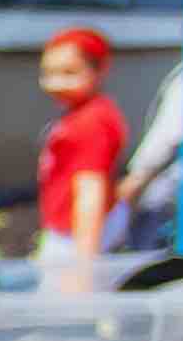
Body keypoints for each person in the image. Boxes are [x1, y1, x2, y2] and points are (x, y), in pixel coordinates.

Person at [33, 27, 130, 262]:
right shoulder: (79, 114)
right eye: (48, 73)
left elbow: (90, 190)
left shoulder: (91, 122)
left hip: (75, 238)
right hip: (66, 230)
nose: (56, 83)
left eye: (69, 73)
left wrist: (83, 263)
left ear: (99, 70)